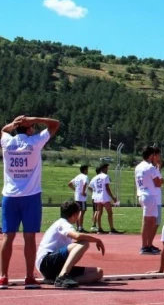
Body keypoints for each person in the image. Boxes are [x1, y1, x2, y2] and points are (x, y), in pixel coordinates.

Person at [1, 115, 60, 289]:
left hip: (9, 196)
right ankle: (28, 277)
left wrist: (13, 124)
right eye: (31, 127)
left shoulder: (7, 142)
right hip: (30, 196)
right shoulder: (35, 142)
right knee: (29, 237)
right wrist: (34, 118)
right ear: (29, 129)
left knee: (7, 237)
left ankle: (3, 277)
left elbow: (2, 131)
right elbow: (55, 124)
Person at [36, 201, 105, 288]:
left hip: (54, 267)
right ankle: (63, 276)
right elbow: (77, 236)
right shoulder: (63, 223)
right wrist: (97, 240)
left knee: (98, 272)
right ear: (74, 215)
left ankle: (59, 280)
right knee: (83, 243)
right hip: (46, 262)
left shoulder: (62, 223)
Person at [135, 146, 164, 254]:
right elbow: (158, 182)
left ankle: (147, 245)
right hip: (150, 195)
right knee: (147, 222)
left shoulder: (138, 167)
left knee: (150, 221)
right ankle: (144, 246)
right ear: (151, 155)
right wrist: (161, 181)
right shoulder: (150, 167)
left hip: (142, 194)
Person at [86, 164, 121, 234]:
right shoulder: (105, 176)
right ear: (104, 169)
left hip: (97, 197)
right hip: (104, 197)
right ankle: (111, 229)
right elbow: (107, 187)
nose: (107, 170)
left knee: (99, 212)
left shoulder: (95, 177)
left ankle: (99, 228)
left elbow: (89, 186)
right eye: (107, 168)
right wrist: (113, 197)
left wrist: (95, 191)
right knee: (110, 212)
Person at [67, 165, 90, 232]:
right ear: (85, 170)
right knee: (82, 213)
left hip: (77, 197)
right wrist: (83, 192)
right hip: (82, 198)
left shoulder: (77, 177)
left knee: (77, 212)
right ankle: (80, 227)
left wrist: (75, 190)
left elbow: (69, 184)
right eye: (87, 170)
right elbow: (85, 183)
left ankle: (77, 227)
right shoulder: (85, 177)